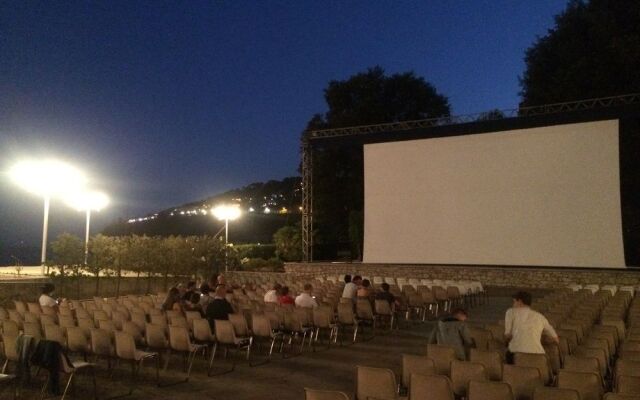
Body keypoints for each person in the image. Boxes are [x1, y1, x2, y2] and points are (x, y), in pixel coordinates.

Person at [504, 291, 559, 363]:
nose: (513, 304)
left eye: (514, 302)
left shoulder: (510, 312)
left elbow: (507, 335)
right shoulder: (540, 317)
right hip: (537, 356)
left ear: (520, 302)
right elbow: (556, 339)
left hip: (516, 354)